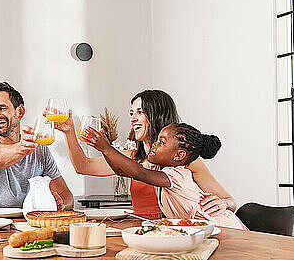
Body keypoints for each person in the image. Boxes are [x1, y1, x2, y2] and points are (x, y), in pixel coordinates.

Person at [52, 90, 237, 220]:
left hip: (176, 234)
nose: (132, 119)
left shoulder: (186, 162)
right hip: (143, 231)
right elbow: (83, 166)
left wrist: (223, 204)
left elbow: (231, 201)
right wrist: (69, 132)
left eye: (140, 112)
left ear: (157, 115)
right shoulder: (130, 157)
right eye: (132, 113)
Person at [82, 123, 247, 230]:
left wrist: (106, 148)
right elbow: (122, 171)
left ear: (178, 155)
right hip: (204, 229)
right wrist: (106, 150)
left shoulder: (176, 175)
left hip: (224, 228)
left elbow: (138, 173)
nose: (154, 144)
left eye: (161, 142)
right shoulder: (158, 168)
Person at [0, 82, 73, 216]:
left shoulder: (40, 150)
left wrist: (59, 201)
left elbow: (68, 196)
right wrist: (22, 148)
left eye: (2, 108)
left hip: (21, 228)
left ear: (20, 111)